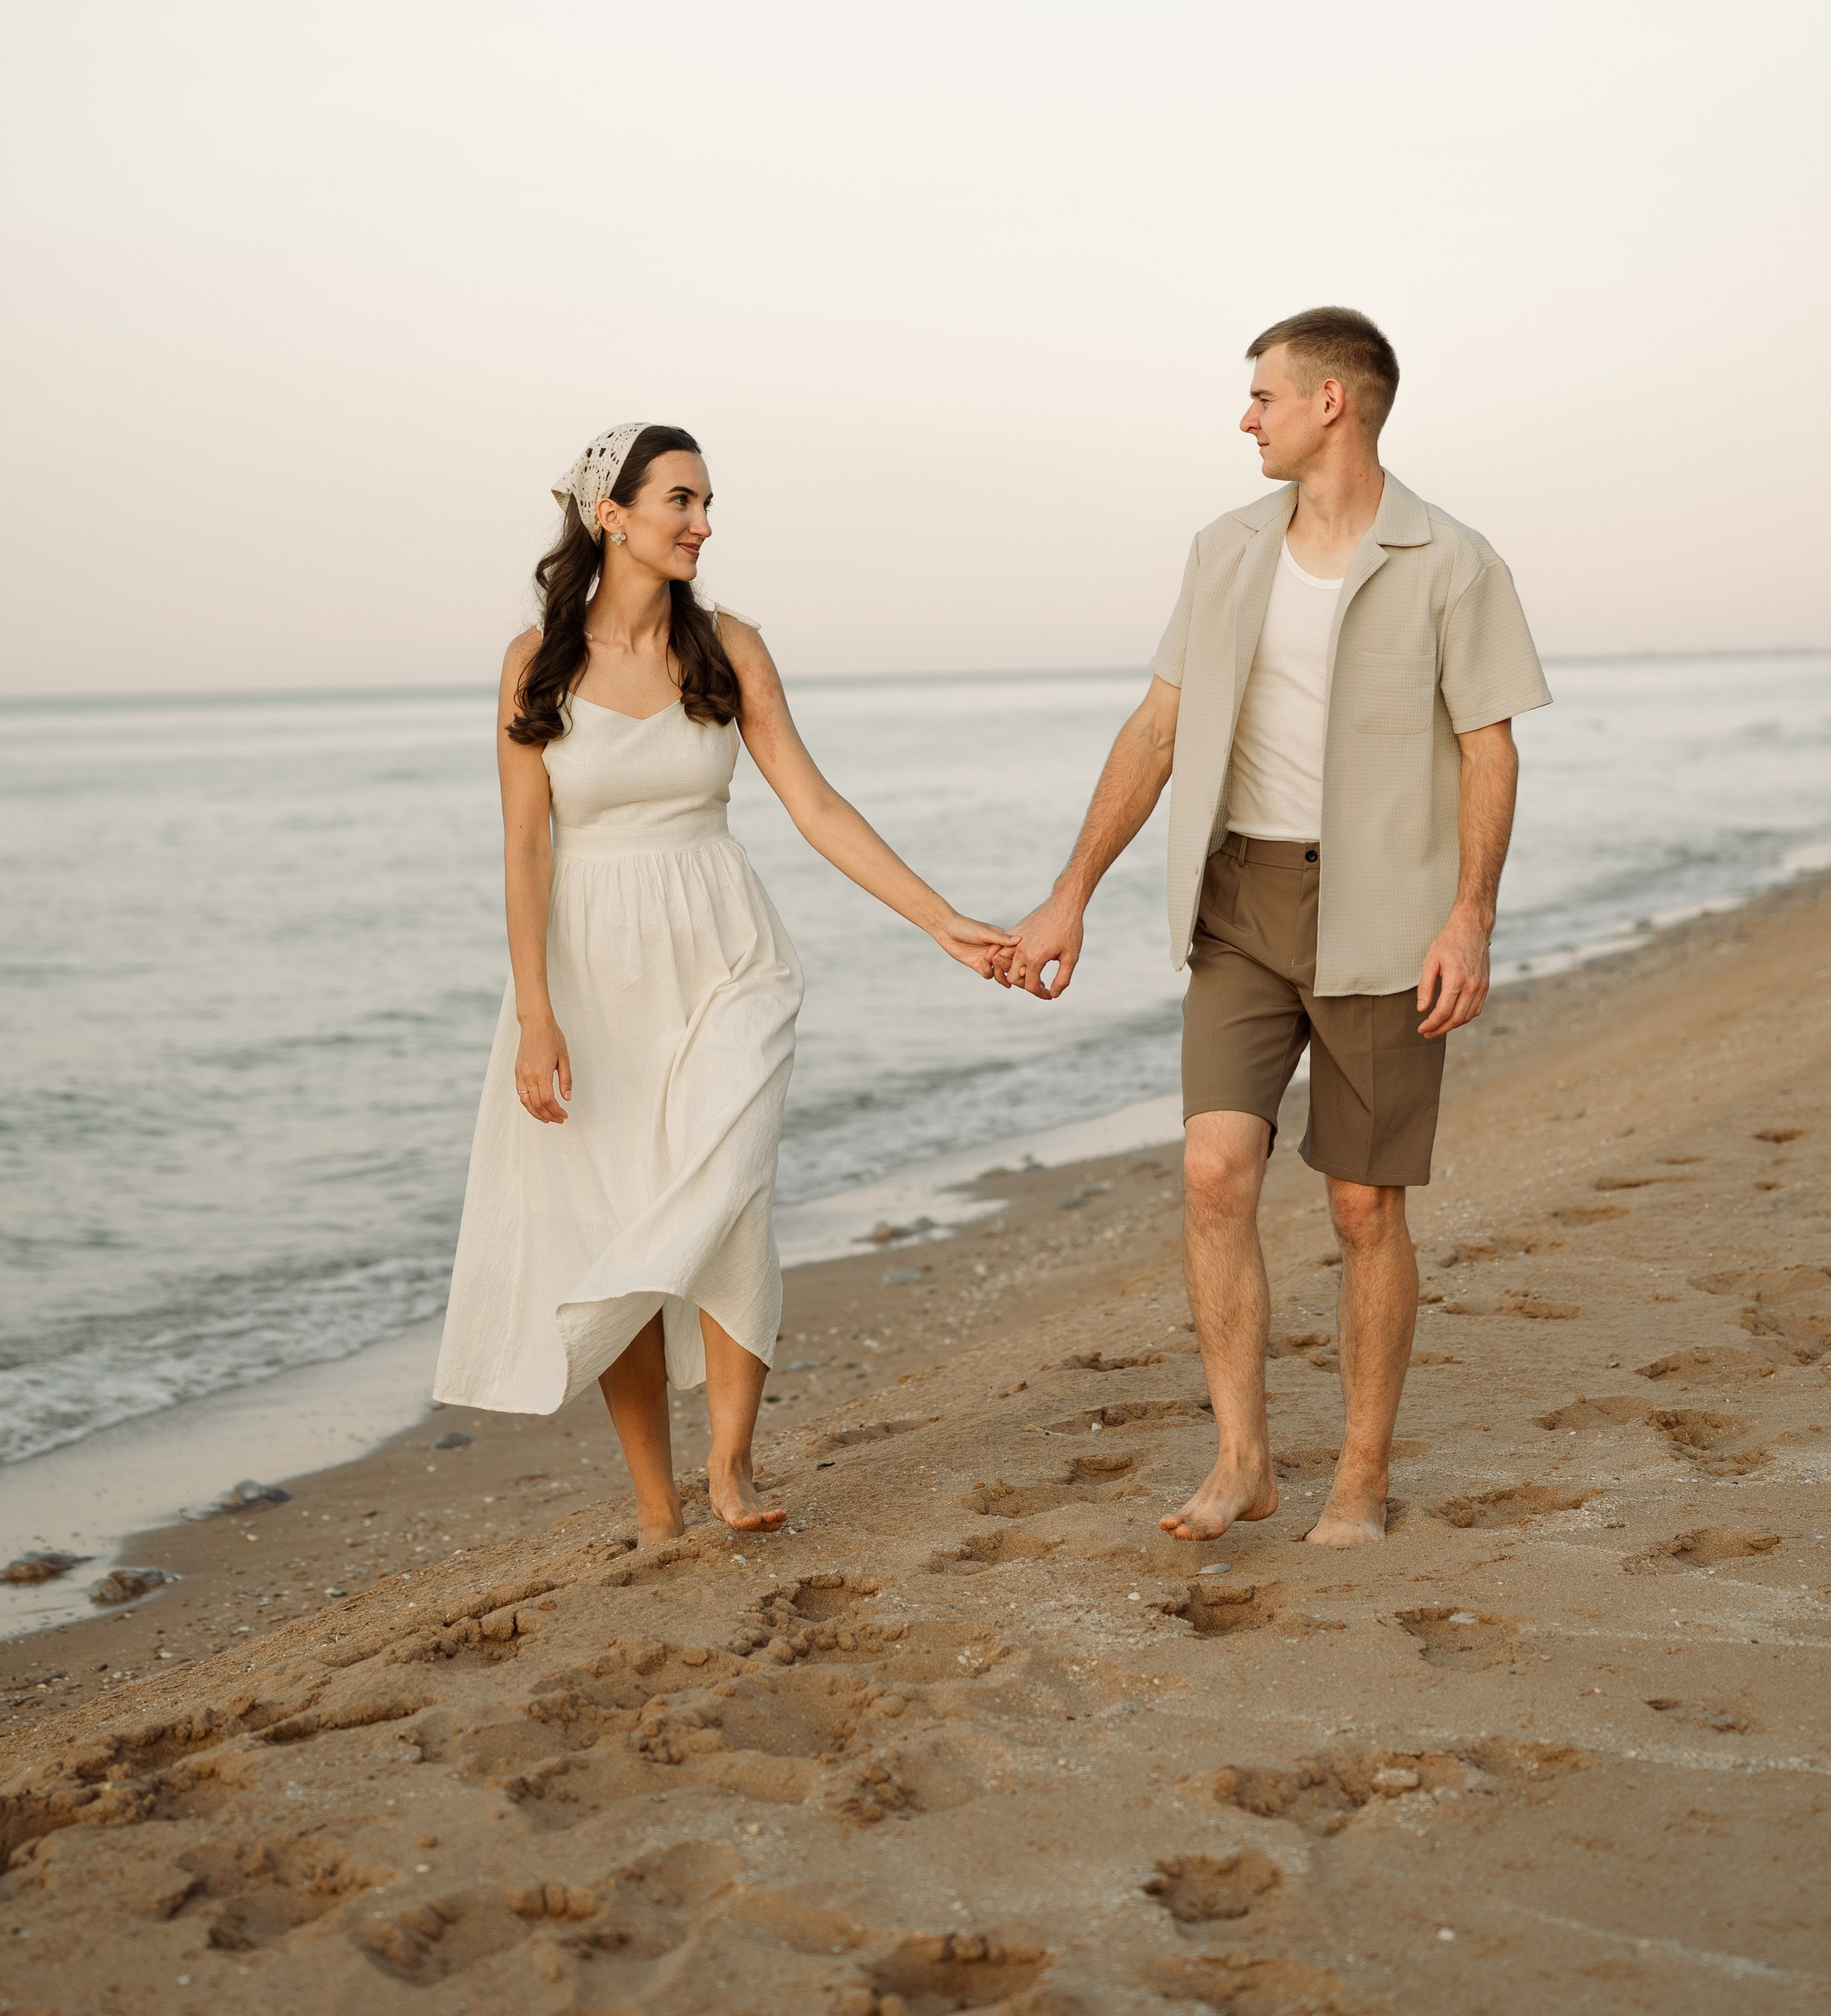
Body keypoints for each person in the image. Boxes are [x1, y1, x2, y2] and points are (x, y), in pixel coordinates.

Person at [996, 309, 1550, 1547]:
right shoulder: (1226, 551)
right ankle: (1244, 1458)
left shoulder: (1452, 560)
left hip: (1386, 915)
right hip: (1240, 903)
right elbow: (1156, 731)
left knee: (1363, 1207)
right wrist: (1070, 890)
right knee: (1211, 1170)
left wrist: (1471, 916)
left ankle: (1359, 1478)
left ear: (1332, 404)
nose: (1246, 416)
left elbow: (1490, 744)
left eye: (1263, 395)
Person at [434, 422, 1015, 1541]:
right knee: (627, 1229)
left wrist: (940, 921)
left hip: (726, 954)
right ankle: (658, 1508)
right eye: (682, 502)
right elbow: (523, 849)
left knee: (731, 1193)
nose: (704, 523)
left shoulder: (729, 647)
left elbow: (816, 805)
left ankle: (732, 1468)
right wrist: (537, 1015)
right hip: (591, 975)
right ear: (613, 517)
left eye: (706, 503)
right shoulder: (535, 661)